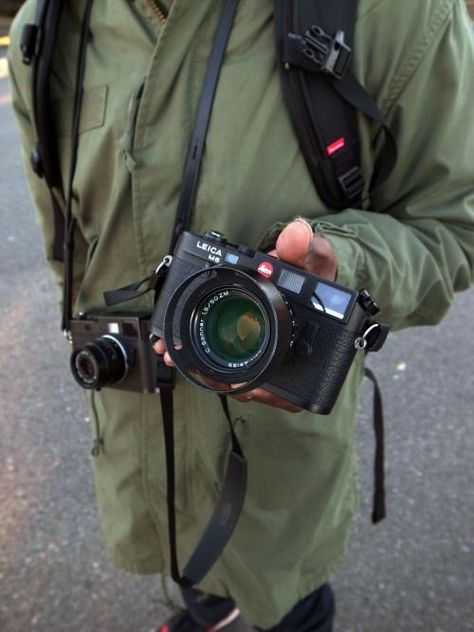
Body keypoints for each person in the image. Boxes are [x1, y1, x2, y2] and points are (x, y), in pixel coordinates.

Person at [8, 0, 474, 630]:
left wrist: (344, 266)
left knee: (288, 604)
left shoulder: (396, 14)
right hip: (134, 451)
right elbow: (69, 245)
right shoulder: (51, 21)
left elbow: (454, 225)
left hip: (280, 472)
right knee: (193, 580)